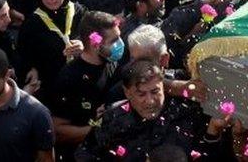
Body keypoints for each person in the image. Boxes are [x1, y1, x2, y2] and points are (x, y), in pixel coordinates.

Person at [75, 60, 223, 161]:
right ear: (127, 93)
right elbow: (84, 155)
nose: (150, 101)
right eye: (141, 94)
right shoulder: (112, 119)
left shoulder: (186, 112)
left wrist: (213, 132)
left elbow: (208, 153)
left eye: (155, 92)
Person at [51, 10, 123, 158]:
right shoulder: (69, 78)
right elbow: (57, 130)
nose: (119, 44)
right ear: (95, 44)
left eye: (119, 38)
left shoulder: (112, 63)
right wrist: (97, 130)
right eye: (113, 41)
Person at [16, 0, 84, 105]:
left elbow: (97, 36)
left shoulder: (79, 12)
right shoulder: (33, 23)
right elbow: (23, 55)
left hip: (82, 83)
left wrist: (84, 45)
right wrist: (31, 68)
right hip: (52, 89)